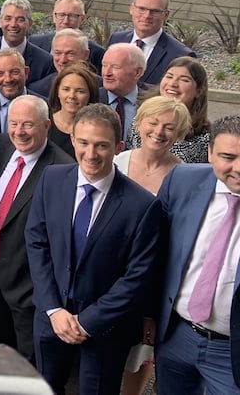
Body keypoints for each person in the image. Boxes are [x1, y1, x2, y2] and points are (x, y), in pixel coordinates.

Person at [25, 103, 162, 394]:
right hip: (52, 315)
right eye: (84, 143)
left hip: (106, 326)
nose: (90, 154)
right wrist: (53, 309)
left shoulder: (142, 205)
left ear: (119, 146)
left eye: (101, 145)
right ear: (72, 139)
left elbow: (137, 277)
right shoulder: (51, 179)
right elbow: (37, 243)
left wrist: (87, 322)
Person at [155, 115, 240, 394]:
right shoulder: (182, 181)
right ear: (209, 153)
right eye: (228, 156)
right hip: (176, 335)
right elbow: (153, 252)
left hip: (231, 352)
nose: (238, 168)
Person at [112, 96, 190, 395]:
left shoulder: (183, 177)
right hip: (109, 271)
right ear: (139, 122)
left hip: (151, 279)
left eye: (169, 127)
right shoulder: (117, 161)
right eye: (153, 122)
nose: (159, 131)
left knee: (140, 356)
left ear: (179, 132)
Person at [0, 95, 74, 361]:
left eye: (27, 125)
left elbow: (60, 239)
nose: (19, 132)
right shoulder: (2, 145)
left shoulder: (63, 169)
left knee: (28, 360)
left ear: (46, 126)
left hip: (28, 285)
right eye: (13, 123)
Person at [108, 0, 196, 86]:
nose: (147, 16)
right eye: (142, 9)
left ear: (166, 15)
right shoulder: (116, 39)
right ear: (131, 9)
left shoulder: (180, 55)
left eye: (155, 11)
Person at [128, 56, 210, 163]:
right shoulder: (141, 119)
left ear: (199, 91)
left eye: (184, 80)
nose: (172, 84)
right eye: (169, 76)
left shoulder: (205, 138)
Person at [0, 0, 55, 84]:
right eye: (8, 18)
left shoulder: (44, 63)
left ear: (30, 23)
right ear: (0, 21)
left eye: (20, 20)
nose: (13, 24)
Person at [28, 0, 105, 73]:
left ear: (82, 19)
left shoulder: (97, 52)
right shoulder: (35, 42)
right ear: (54, 17)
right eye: (61, 15)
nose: (66, 21)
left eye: (72, 16)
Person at [47, 63, 101, 158]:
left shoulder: (98, 129)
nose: (72, 96)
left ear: (90, 95)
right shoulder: (43, 122)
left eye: (80, 91)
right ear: (57, 92)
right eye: (66, 89)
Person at [28, 28, 96, 98]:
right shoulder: (37, 90)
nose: (63, 60)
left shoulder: (100, 87)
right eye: (58, 53)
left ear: (85, 55)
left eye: (70, 53)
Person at [100, 43, 146, 144]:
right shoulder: (91, 98)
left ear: (137, 72)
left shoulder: (152, 100)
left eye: (115, 67)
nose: (107, 73)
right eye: (104, 65)